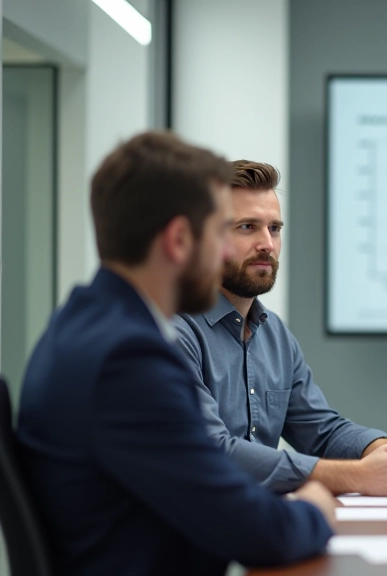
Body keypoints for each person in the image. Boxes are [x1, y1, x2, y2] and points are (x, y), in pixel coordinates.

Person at [17, 132, 337, 575]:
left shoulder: (81, 324)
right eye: (219, 232)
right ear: (180, 240)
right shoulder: (128, 362)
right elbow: (255, 529)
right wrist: (316, 506)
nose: (227, 252)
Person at [174, 160, 387, 496]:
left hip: (256, 517)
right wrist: (356, 476)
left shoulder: (274, 335)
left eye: (274, 228)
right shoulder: (173, 332)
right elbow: (212, 451)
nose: (267, 244)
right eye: (247, 227)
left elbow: (322, 432)